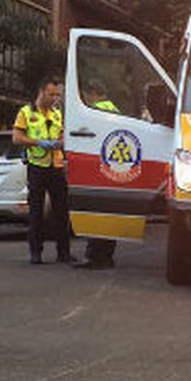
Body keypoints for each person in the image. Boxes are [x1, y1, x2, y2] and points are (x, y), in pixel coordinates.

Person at [14, 77, 72, 265]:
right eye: (52, 94)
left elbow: (63, 135)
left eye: (57, 95)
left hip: (56, 166)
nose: (55, 98)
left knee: (61, 212)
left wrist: (60, 143)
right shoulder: (26, 112)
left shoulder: (56, 113)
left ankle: (63, 252)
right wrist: (39, 142)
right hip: (37, 167)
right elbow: (17, 137)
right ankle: (36, 252)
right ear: (41, 91)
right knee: (36, 212)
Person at [76, 82, 119, 270]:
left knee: (98, 211)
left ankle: (94, 256)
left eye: (86, 95)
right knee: (111, 212)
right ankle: (107, 256)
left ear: (94, 94)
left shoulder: (96, 111)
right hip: (114, 166)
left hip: (100, 166)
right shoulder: (116, 111)